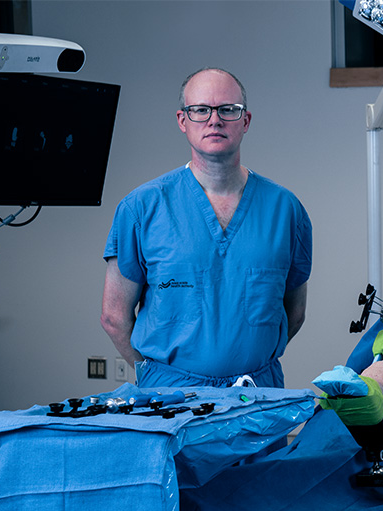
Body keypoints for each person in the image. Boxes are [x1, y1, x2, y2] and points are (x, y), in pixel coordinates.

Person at [101, 68, 313, 389]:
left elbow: (293, 314)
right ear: (182, 121)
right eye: (200, 110)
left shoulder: (285, 210)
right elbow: (114, 317)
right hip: (172, 394)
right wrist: (156, 378)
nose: (215, 120)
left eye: (228, 110)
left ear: (246, 121)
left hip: (257, 395)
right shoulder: (142, 208)